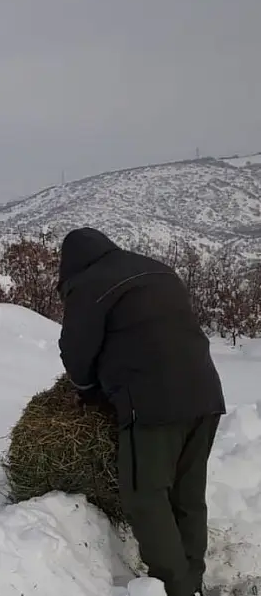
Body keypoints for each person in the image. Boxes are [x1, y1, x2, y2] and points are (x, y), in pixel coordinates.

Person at [56, 227, 225, 596]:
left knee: (146, 496)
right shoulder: (156, 268)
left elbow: (76, 348)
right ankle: (192, 581)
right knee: (188, 495)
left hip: (152, 401)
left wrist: (86, 389)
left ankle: (174, 588)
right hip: (205, 394)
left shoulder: (88, 283)